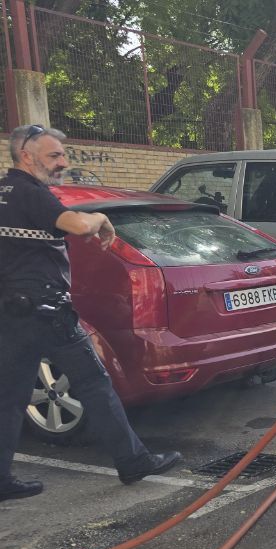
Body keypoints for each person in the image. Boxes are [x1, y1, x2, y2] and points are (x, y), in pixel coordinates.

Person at [0, 124, 181, 502]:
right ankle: (133, 461)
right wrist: (101, 219)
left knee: (10, 397)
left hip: (12, 311)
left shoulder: (4, 191)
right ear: (26, 156)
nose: (63, 162)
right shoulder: (32, 193)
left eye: (63, 155)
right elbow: (79, 225)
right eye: (54, 156)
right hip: (47, 311)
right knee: (95, 385)